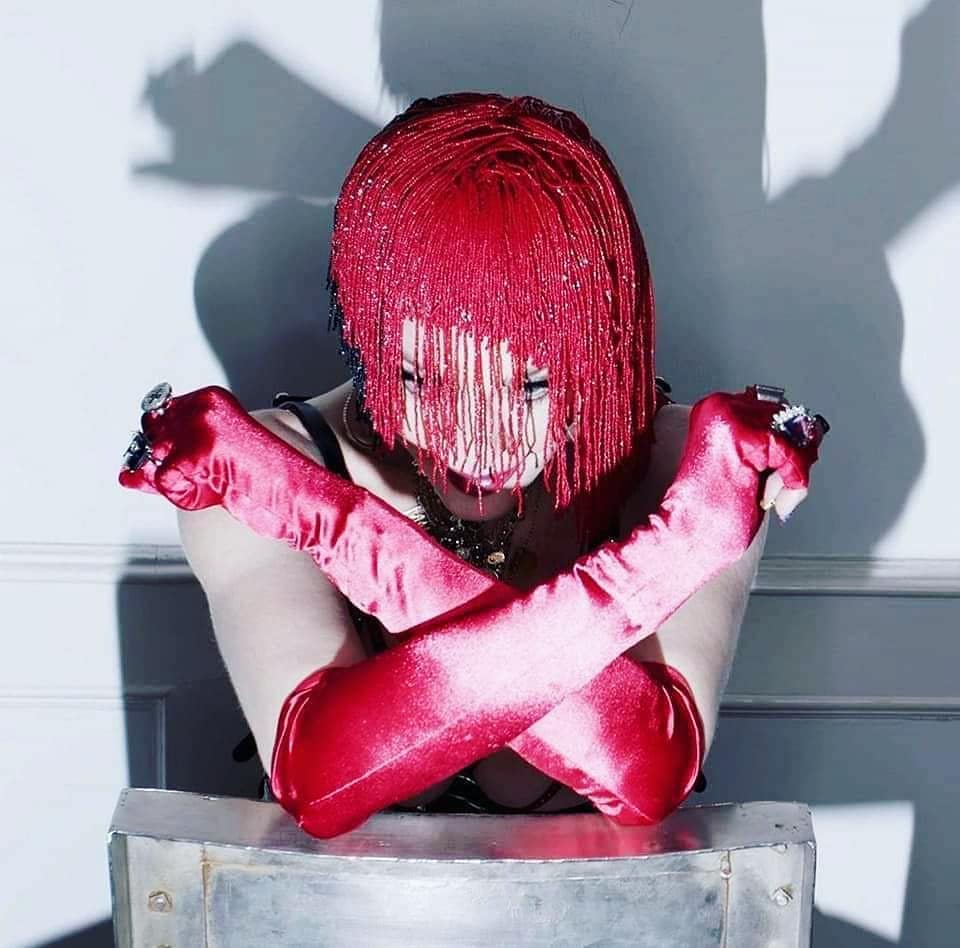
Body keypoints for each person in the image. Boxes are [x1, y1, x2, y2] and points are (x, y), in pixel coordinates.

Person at [120, 92, 827, 838]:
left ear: (600, 351)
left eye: (530, 386)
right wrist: (684, 542)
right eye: (422, 378)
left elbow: (647, 767)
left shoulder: (702, 469)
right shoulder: (267, 466)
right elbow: (321, 776)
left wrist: (318, 517)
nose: (475, 441)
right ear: (368, 337)